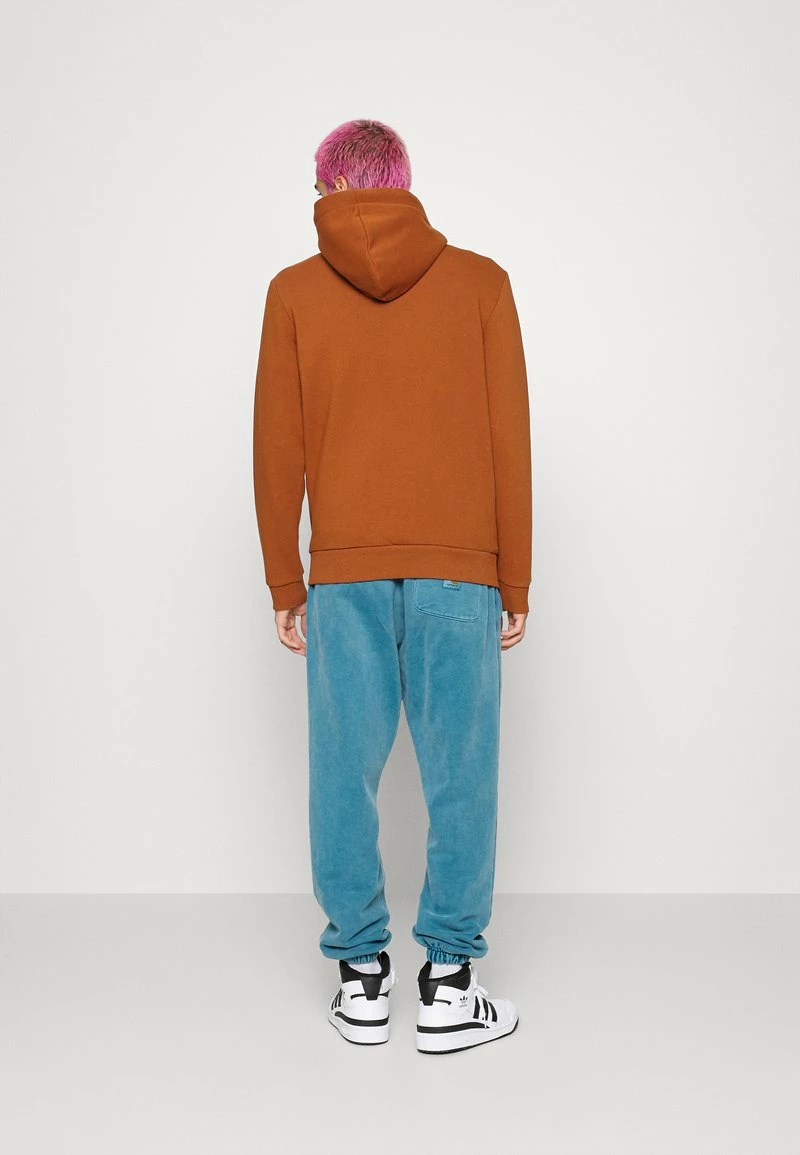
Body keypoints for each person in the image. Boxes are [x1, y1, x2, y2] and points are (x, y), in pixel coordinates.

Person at [252, 119, 532, 1054]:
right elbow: (509, 437)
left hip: (345, 576)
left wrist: (284, 577)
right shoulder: (482, 283)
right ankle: (449, 984)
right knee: (463, 776)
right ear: (402, 184)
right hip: (461, 570)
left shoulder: (293, 292)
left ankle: (360, 977)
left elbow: (276, 445)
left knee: (343, 771)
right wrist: (515, 575)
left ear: (331, 190)